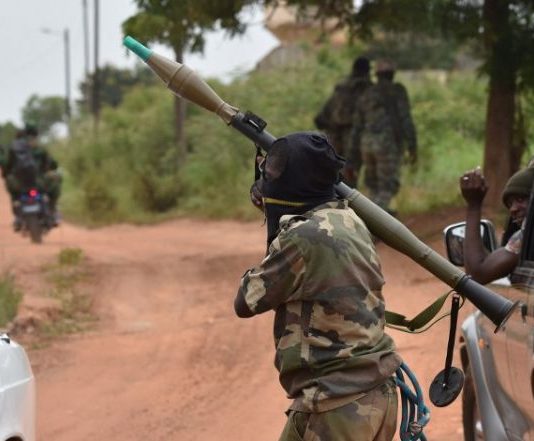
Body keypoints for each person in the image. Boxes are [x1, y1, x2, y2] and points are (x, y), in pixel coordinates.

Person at [237, 132, 401, 441]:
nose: (266, 178)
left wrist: (274, 217)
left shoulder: (302, 238)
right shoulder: (347, 218)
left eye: (271, 173)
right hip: (371, 393)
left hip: (337, 405)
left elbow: (246, 301)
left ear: (295, 181)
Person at [351, 59, 417, 214]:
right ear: (392, 74)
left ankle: (371, 218)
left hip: (366, 145)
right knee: (387, 187)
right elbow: (405, 119)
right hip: (387, 145)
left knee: (373, 186)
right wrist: (412, 145)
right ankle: (376, 224)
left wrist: (351, 157)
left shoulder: (366, 93)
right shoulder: (397, 91)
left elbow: (357, 126)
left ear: (377, 75)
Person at [460, 166, 534, 284]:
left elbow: (477, 273)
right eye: (510, 204)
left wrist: (474, 205)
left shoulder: (527, 235)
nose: (513, 209)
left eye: (520, 199)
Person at [314, 56, 372, 188]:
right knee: (351, 167)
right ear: (367, 70)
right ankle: (348, 197)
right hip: (352, 133)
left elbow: (328, 109)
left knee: (333, 166)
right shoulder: (366, 87)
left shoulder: (342, 86)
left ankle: (333, 194)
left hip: (333, 131)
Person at [4, 123, 62, 229]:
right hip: (39, 183)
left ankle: (17, 216)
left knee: (13, 192)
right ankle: (53, 210)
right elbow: (51, 164)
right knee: (56, 182)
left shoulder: (15, 148)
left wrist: (7, 175)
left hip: (20, 184)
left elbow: (8, 165)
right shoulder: (40, 148)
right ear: (36, 134)